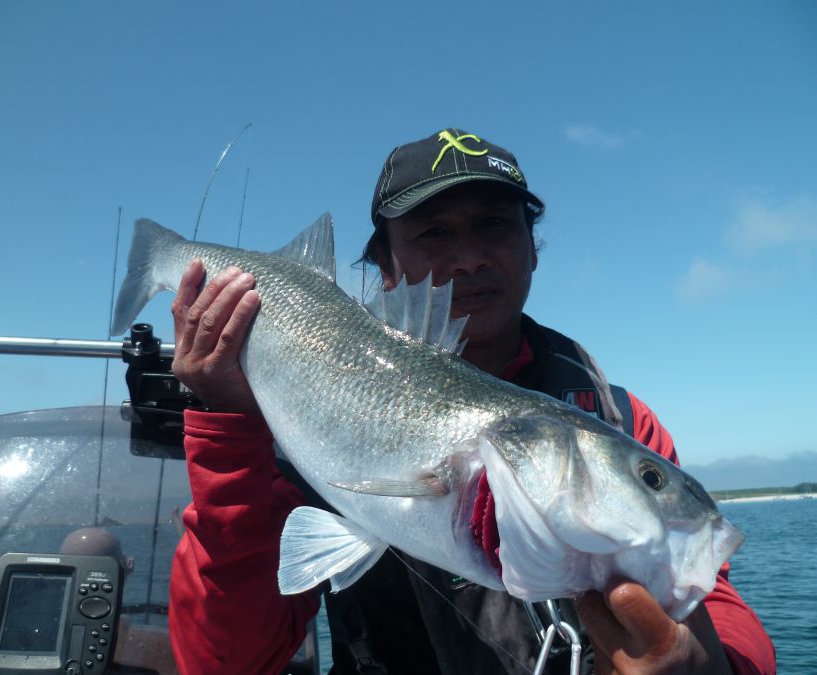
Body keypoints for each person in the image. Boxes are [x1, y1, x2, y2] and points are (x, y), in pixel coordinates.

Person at [167, 129, 776, 674]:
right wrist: (228, 428)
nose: (469, 257)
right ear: (383, 265)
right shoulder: (287, 421)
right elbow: (225, 661)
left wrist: (722, 665)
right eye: (434, 234)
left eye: (494, 225)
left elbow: (710, 597)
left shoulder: (619, 420)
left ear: (532, 247)